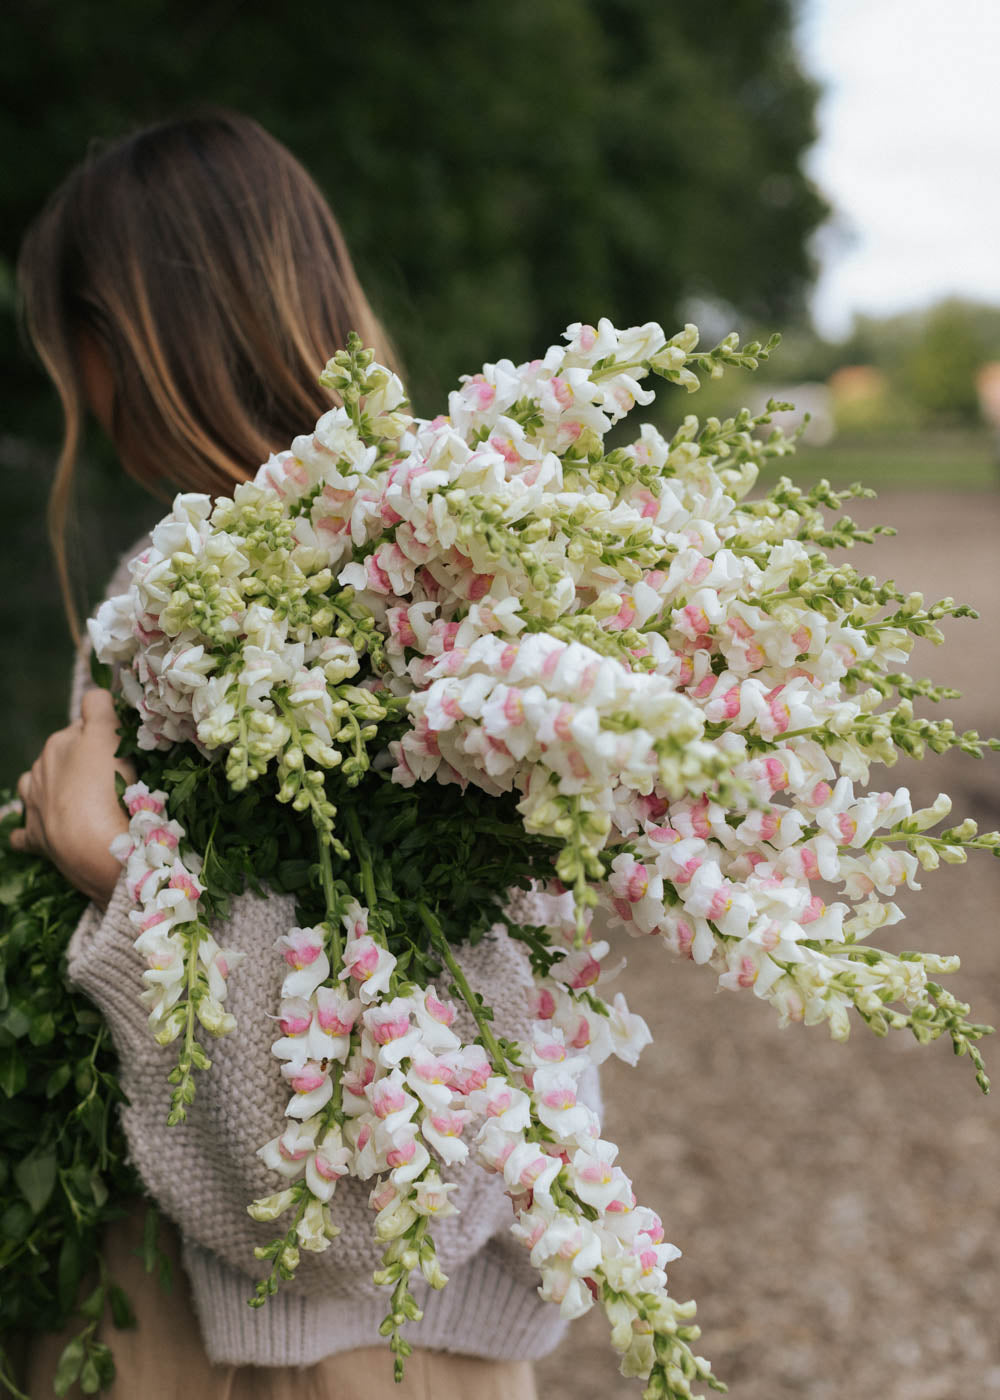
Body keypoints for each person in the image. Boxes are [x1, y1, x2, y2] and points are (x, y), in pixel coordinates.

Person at [12, 111, 562, 1400]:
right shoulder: (466, 572)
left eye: (71, 356)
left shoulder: (367, 595)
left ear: (124, 342)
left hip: (287, 1343)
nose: (79, 401)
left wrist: (116, 875)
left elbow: (385, 1172)